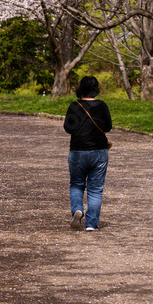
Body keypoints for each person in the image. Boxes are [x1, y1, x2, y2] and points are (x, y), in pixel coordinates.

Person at [63, 75, 112, 231]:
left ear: (80, 89)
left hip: (78, 151)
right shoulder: (102, 106)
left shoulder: (74, 106)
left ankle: (77, 209)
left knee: (77, 184)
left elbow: (68, 128)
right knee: (95, 188)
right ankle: (91, 224)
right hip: (99, 152)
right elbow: (108, 127)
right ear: (96, 89)